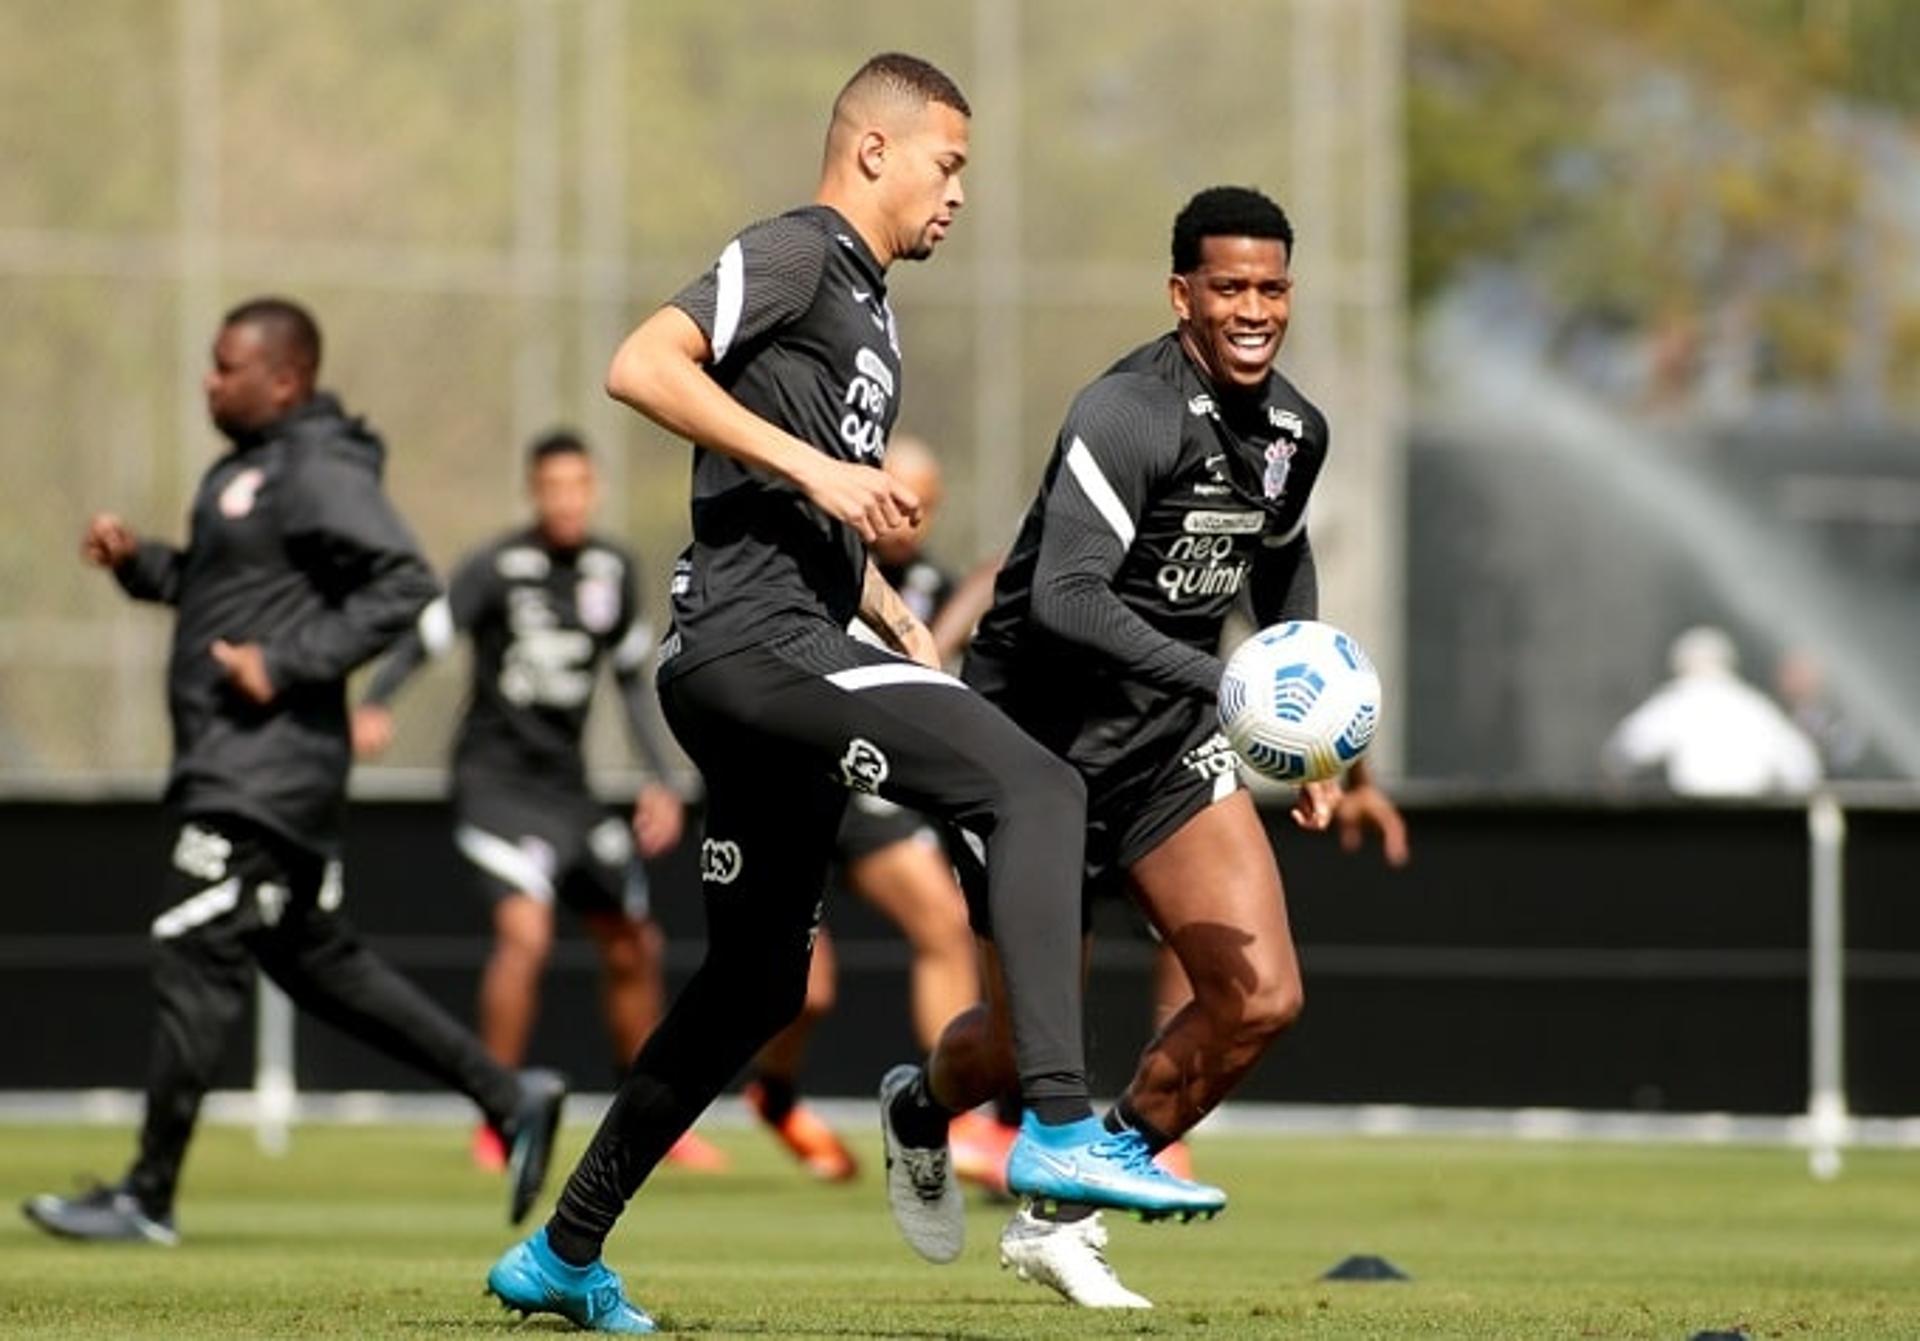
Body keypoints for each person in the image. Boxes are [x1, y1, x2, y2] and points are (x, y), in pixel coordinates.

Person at [483, 54, 1221, 1335]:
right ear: (874, 149)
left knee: (756, 987)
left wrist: (883, 606)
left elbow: (794, 516)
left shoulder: (871, 311)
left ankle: (562, 1251)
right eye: (949, 164)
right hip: (749, 649)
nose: (959, 195)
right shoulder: (801, 250)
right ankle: (1056, 1124)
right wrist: (824, 476)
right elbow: (642, 365)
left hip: (769, 649)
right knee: (1036, 784)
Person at [878, 186, 1406, 1309]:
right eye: (1228, 288)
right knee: (1022, 1049)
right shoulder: (1125, 413)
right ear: (1183, 295)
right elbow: (1066, 598)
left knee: (1261, 996)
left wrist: (1320, 750)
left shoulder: (1294, 431)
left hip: (1166, 748)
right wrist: (1230, 682)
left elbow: (1278, 572)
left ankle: (1062, 1216)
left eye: (1271, 287)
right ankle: (919, 1109)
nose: (1253, 308)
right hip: (1030, 751)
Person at [23, 298, 566, 1247]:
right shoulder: (250, 470)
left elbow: (406, 582)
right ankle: (509, 1092)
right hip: (246, 765)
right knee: (318, 963)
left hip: (262, 771)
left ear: (285, 377)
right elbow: (217, 588)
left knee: (193, 945)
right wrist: (139, 563)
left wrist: (284, 662)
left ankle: (147, 1193)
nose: (209, 379)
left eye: (226, 364)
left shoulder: (316, 466)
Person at [351, 431, 722, 1174]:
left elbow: (629, 680)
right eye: (552, 486)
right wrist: (376, 700)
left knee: (634, 941)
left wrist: (662, 778)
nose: (566, 500)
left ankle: (648, 1119)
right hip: (495, 788)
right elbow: (430, 633)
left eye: (578, 485)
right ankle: (499, 1114)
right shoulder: (497, 566)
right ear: (534, 491)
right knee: (526, 935)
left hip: (569, 794)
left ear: (594, 489)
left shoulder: (611, 569)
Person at [741, 436, 995, 1182]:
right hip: (791, 784)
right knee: (804, 992)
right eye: (892, 490)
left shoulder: (936, 587)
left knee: (945, 925)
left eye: (919, 502)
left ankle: (954, 1118)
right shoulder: (812, 563)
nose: (901, 514)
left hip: (872, 794)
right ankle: (774, 1092)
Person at [1602, 625, 1821, 796]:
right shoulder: (1756, 705)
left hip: (1696, 821)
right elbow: (1802, 768)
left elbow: (1622, 751)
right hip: (1750, 824)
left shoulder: (1677, 701)